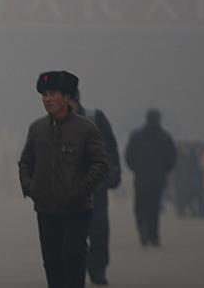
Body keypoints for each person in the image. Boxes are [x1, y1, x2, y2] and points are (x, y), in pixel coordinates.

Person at [18, 70, 108, 288]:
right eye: (44, 94)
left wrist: (80, 191)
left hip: (76, 210)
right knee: (52, 262)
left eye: (52, 94)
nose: (47, 99)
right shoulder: (38, 129)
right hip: (46, 209)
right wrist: (30, 187)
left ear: (67, 97)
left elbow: (100, 164)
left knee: (73, 259)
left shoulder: (86, 129)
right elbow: (26, 162)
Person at [71, 92, 120, 285]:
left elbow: (111, 147)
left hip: (95, 186)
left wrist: (114, 171)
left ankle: (97, 268)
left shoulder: (95, 118)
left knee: (99, 230)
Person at [124, 108, 177, 246]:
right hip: (157, 178)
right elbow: (172, 158)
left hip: (141, 177)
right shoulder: (165, 137)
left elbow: (129, 157)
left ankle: (143, 228)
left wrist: (136, 169)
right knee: (154, 208)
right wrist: (164, 170)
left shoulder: (136, 136)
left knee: (140, 206)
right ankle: (153, 235)